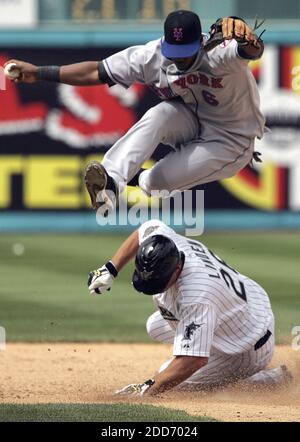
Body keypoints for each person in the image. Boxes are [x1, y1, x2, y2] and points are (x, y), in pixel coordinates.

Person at [4, 11, 265, 217]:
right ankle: (111, 183)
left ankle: (139, 179)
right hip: (193, 120)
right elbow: (95, 71)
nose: (179, 60)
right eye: (174, 52)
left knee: (154, 182)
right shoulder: (151, 56)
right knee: (160, 115)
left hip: (231, 139)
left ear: (201, 42)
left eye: (185, 54)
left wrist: (248, 39)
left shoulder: (220, 54)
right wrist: (39, 73)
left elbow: (251, 51)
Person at [87, 219, 292, 396]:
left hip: (246, 347)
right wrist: (110, 268)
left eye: (159, 282)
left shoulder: (197, 295)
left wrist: (146, 388)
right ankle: (211, 351)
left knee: (173, 384)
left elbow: (193, 360)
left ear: (177, 269)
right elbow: (145, 229)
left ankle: (266, 378)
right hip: (248, 309)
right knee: (154, 326)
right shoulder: (165, 241)